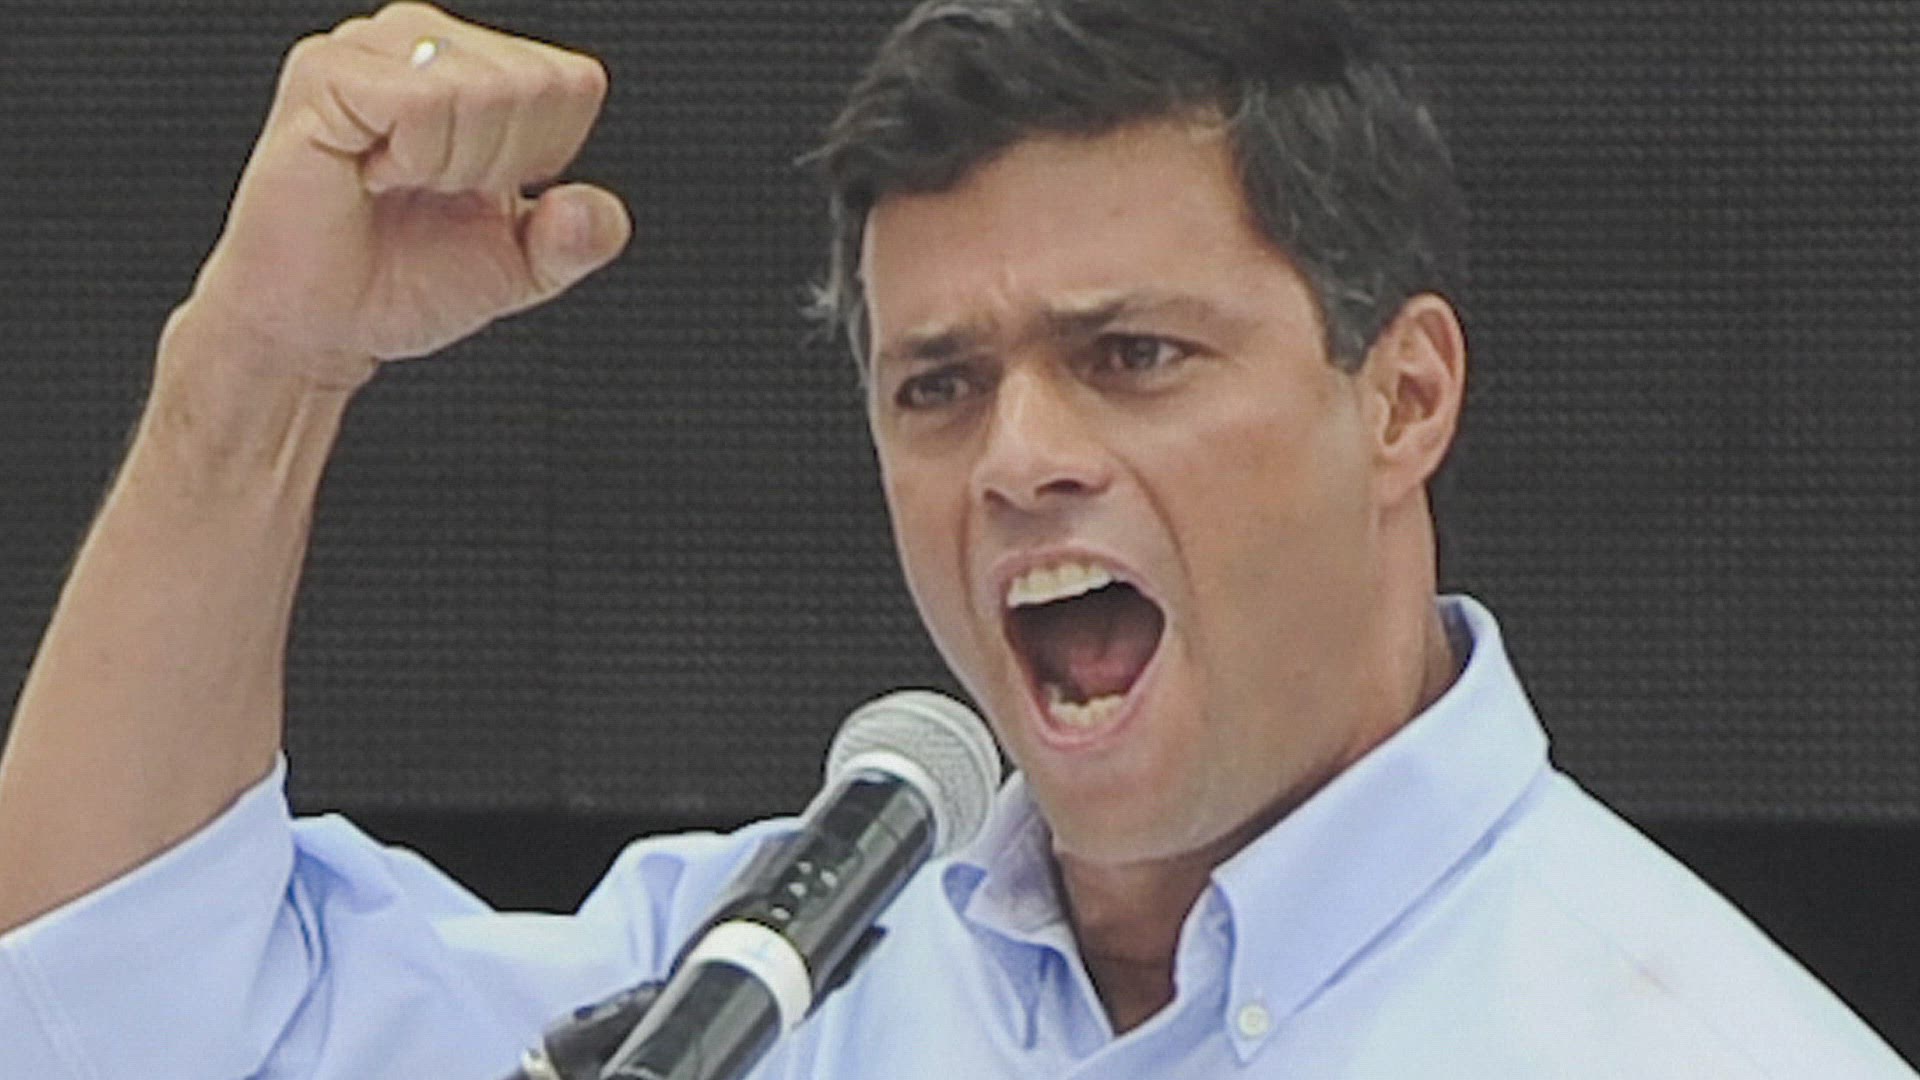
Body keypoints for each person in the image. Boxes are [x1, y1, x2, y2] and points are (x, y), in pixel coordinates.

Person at [0, 0, 1909, 1076]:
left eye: (1131, 355)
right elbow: (118, 1013)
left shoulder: (1696, 1047)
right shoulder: (767, 980)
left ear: (1401, 397)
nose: (1020, 458)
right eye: (938, 384)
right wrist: (254, 374)